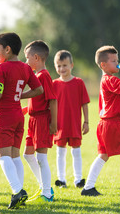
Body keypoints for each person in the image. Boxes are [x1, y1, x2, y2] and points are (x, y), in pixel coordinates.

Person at [0, 33, 43, 209]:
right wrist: (20, 95)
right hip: (17, 115)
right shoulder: (25, 67)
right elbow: (38, 89)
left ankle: (17, 191)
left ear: (7, 49)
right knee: (14, 155)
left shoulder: (2, 68)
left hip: (4, 116)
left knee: (2, 155)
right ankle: (19, 192)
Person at [81, 45, 120, 196]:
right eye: (113, 60)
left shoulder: (107, 80)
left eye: (117, 59)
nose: (117, 62)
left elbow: (118, 107)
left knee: (104, 155)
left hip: (105, 124)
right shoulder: (109, 79)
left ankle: (88, 187)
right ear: (103, 65)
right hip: (113, 124)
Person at [23, 40, 57, 202]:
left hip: (42, 121)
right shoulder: (37, 75)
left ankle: (47, 194)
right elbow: (36, 100)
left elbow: (52, 101)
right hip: (33, 120)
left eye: (27, 58)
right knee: (27, 155)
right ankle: (45, 186)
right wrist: (25, 110)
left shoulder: (44, 76)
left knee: (41, 158)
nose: (25, 61)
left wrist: (53, 123)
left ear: (36, 57)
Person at [52, 50, 90, 188]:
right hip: (59, 125)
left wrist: (86, 121)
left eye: (65, 65)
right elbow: (50, 105)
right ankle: (61, 179)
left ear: (71, 65)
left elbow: (84, 103)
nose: (62, 69)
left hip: (74, 124)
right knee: (60, 151)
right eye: (59, 65)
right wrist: (52, 122)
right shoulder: (54, 84)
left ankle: (78, 179)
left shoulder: (79, 82)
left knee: (76, 151)